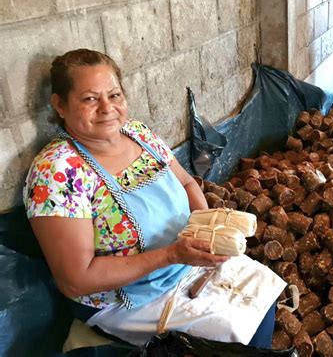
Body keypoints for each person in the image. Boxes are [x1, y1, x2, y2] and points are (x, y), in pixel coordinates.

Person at [23, 49, 285, 348]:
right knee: (233, 330)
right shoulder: (57, 171)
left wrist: (209, 231)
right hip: (124, 298)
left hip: (182, 261)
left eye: (115, 95)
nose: (107, 108)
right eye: (90, 99)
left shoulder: (137, 133)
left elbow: (187, 183)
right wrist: (172, 255)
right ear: (60, 104)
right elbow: (76, 279)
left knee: (263, 288)